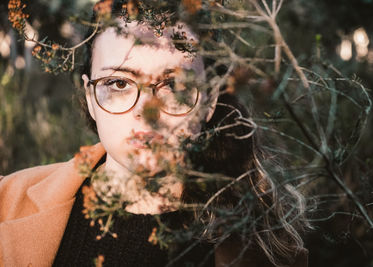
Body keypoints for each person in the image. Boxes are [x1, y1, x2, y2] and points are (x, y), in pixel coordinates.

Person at [0, 1, 308, 266]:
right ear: (90, 98)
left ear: (211, 100)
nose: (146, 111)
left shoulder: (265, 248)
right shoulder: (7, 202)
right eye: (118, 83)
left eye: (174, 85)